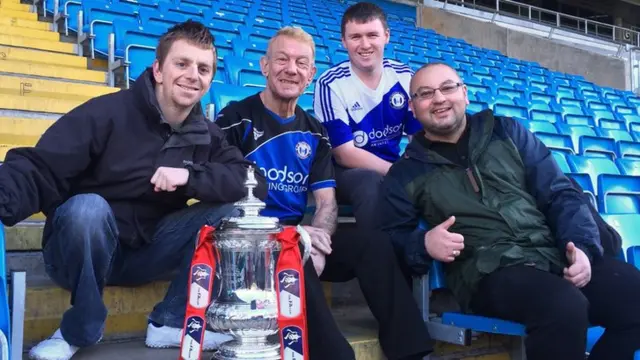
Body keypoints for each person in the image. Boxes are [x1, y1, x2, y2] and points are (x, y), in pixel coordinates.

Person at [5, 21, 267, 360]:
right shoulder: (107, 113)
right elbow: (40, 167)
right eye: (182, 63)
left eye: (203, 68)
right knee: (88, 208)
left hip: (146, 252)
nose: (192, 75)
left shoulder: (206, 135)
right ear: (158, 69)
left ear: (210, 80)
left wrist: (190, 177)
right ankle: (77, 330)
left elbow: (252, 182)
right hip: (77, 252)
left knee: (230, 211)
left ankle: (171, 320)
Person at [377, 62, 640, 360]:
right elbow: (389, 238)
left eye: (447, 87)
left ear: (464, 94)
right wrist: (423, 245)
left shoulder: (507, 132)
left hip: (551, 253)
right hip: (488, 272)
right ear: (412, 108)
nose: (438, 98)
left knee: (633, 295)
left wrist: (580, 247)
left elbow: (560, 193)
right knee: (563, 305)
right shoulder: (404, 173)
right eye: (425, 93)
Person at [215, 26, 434, 360]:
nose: (291, 69)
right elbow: (219, 195)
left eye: (301, 63)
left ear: (311, 74)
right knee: (293, 255)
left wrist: (318, 237)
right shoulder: (235, 118)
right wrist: (296, 240)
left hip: (297, 237)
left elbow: (327, 202)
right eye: (282, 59)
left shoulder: (315, 132)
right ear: (264, 66)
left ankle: (411, 350)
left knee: (372, 243)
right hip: (251, 246)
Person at [313, 2, 422, 229]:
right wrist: (397, 172)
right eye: (355, 37)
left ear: (386, 36)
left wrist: (414, 172)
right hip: (345, 173)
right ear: (343, 41)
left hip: (392, 165)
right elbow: (344, 154)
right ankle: (378, 260)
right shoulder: (330, 83)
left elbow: (418, 137)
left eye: (372, 35)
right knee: (371, 183)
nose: (365, 45)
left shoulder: (405, 77)